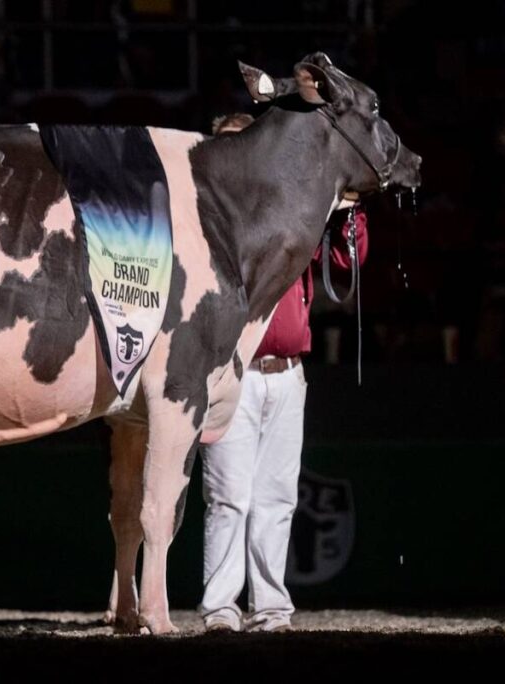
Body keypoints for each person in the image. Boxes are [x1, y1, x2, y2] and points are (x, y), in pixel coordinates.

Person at [200, 113, 368, 632]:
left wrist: (348, 212)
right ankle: (221, 608)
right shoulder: (207, 214)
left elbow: (348, 261)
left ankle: (271, 606)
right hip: (232, 372)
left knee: (276, 495)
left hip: (288, 371)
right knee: (229, 495)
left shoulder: (291, 207)